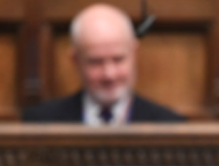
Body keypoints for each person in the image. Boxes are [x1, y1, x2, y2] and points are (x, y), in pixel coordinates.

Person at [22, 4, 184, 124]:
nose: (109, 74)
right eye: (96, 62)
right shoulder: (41, 122)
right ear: (75, 60)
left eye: (118, 59)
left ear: (135, 54)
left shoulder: (169, 124)